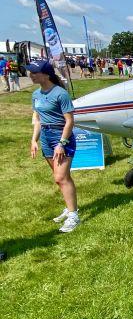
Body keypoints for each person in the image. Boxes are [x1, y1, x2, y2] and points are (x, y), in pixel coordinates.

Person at [26, 60, 80, 233]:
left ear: (46, 74)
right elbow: (39, 120)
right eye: (30, 72)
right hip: (46, 138)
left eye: (34, 72)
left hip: (61, 136)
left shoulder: (60, 94)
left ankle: (73, 216)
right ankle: (69, 207)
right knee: (60, 177)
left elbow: (70, 121)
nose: (31, 75)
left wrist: (61, 144)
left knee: (60, 177)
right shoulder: (36, 94)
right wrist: (34, 140)